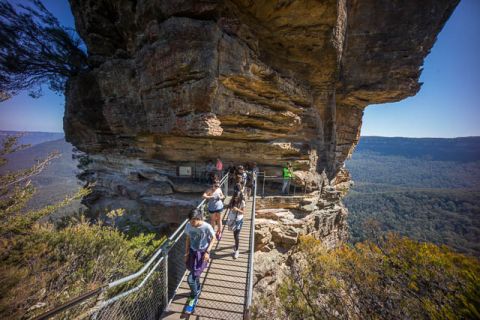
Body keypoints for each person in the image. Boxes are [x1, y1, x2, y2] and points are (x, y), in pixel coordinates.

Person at [184, 208, 216, 314]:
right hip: (193, 253)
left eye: (193, 221)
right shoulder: (189, 225)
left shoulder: (206, 227)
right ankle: (197, 288)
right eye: (190, 221)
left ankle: (194, 295)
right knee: (195, 273)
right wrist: (187, 253)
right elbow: (188, 239)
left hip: (202, 254)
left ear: (199, 218)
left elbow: (213, 238)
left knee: (190, 279)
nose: (191, 223)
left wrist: (207, 252)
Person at [226, 192, 246, 259]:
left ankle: (237, 250)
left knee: (236, 235)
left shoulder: (242, 202)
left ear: (240, 197)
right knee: (235, 235)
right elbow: (229, 207)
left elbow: (243, 212)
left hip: (239, 220)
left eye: (237, 198)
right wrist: (231, 208)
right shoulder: (232, 201)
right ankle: (235, 245)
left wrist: (237, 209)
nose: (235, 199)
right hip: (232, 219)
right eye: (235, 197)